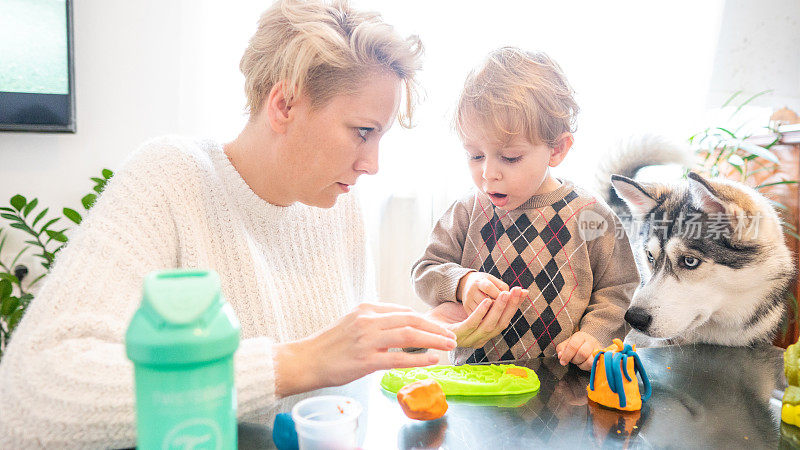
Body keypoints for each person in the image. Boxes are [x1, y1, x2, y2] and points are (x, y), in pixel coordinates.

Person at [0, 1, 499, 447]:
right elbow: (31, 394)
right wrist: (289, 365)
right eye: (362, 132)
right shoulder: (170, 179)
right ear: (284, 105)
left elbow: (336, 391)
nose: (372, 164)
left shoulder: (337, 205)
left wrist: (420, 338)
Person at [412, 47, 639, 369]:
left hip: (560, 385)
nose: (488, 172)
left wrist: (595, 335)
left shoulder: (592, 215)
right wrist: (462, 284)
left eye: (510, 157)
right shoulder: (465, 211)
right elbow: (425, 271)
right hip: (475, 382)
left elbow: (619, 289)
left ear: (557, 149)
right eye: (475, 155)